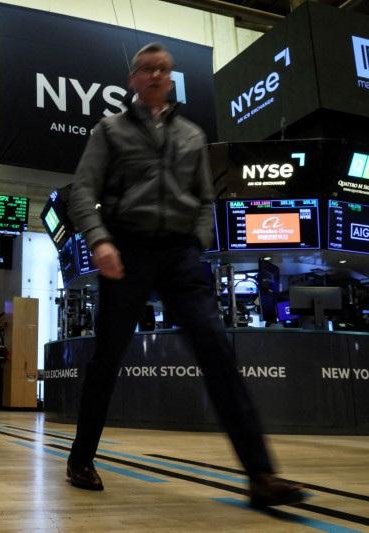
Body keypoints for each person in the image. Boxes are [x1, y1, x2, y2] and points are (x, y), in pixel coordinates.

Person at [66, 42, 305, 508]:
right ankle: (80, 459)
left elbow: (204, 199)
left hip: (180, 256)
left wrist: (196, 242)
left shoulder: (193, 135)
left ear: (171, 78)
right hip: (127, 250)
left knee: (217, 351)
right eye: (146, 69)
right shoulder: (109, 131)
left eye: (163, 69)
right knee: (106, 359)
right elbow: (82, 190)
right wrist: (99, 240)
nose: (156, 75)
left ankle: (261, 476)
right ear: (133, 79)